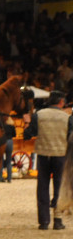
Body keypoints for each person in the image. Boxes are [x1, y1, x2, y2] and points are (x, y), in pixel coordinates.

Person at [23, 90, 73, 230]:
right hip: (60, 154)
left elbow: (28, 135)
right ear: (61, 102)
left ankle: (44, 221)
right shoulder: (67, 117)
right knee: (59, 187)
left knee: (42, 187)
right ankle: (57, 219)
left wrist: (27, 123)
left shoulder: (38, 115)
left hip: (43, 154)